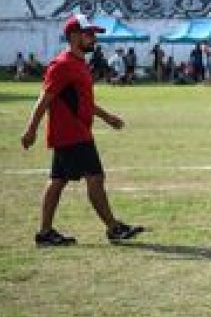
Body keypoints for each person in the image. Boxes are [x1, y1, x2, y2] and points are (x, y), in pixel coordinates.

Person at [19, 14, 144, 246]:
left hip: (73, 132)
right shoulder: (62, 65)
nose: (94, 39)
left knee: (58, 180)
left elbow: (84, 101)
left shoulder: (78, 64)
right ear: (74, 36)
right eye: (89, 34)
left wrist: (107, 117)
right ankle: (113, 228)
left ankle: (45, 232)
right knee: (95, 177)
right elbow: (44, 99)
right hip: (72, 134)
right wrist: (31, 129)